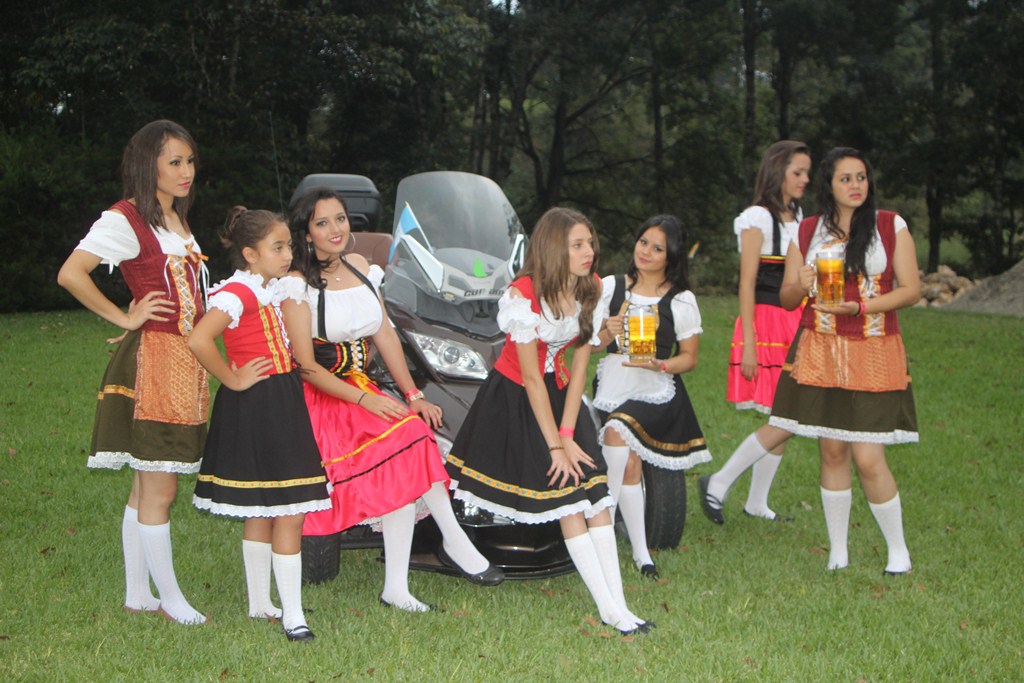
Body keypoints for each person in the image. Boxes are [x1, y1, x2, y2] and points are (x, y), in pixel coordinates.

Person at [278, 189, 503, 615]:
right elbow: (305, 366)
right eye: (322, 223)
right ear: (306, 234)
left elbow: (383, 332)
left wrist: (413, 395)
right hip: (324, 394)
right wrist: (365, 399)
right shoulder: (296, 285)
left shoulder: (362, 267)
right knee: (408, 443)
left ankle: (397, 587)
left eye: (340, 219)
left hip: (364, 385)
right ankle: (453, 539)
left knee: (414, 437)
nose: (335, 229)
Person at [445, 207, 650, 635]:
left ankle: (621, 606)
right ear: (555, 248)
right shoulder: (523, 295)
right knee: (567, 499)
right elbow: (532, 379)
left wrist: (571, 431)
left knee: (596, 496)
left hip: (561, 397)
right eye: (578, 245)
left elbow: (578, 366)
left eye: (590, 243)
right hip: (518, 398)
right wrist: (556, 445)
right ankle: (610, 611)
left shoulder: (590, 287)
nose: (589, 251)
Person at [57, 120, 210, 625]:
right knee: (160, 485)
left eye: (189, 161)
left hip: (184, 361)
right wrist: (125, 317)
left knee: (146, 486)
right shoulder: (126, 218)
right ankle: (171, 599)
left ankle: (137, 593)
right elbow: (71, 272)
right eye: (174, 162)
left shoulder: (174, 219)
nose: (186, 171)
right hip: (156, 364)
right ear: (148, 166)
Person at [769, 147, 919, 574]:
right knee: (832, 451)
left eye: (861, 177)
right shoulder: (809, 231)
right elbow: (787, 299)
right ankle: (839, 551)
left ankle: (898, 551)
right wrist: (800, 283)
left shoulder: (891, 225)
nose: (856, 186)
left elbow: (911, 290)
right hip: (821, 347)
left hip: (874, 347)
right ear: (829, 186)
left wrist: (861, 309)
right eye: (845, 179)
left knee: (869, 457)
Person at [188, 207, 331, 642]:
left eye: (289, 245)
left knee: (264, 507)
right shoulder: (240, 292)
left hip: (276, 398)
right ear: (250, 254)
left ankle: (259, 603)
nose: (288, 253)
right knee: (289, 509)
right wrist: (232, 378)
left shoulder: (269, 289)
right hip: (260, 402)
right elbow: (198, 338)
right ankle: (292, 613)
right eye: (278, 247)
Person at [698, 141, 812, 524]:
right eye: (798, 172)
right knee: (786, 414)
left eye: (807, 173)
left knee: (785, 414)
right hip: (765, 322)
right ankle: (719, 481)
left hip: (797, 321)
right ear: (778, 171)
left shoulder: (800, 217)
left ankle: (756, 502)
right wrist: (748, 342)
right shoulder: (756, 219)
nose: (805, 179)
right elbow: (746, 283)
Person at [593, 215, 710, 579]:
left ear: (671, 257)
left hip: (655, 387)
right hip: (613, 381)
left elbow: (689, 358)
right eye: (643, 242)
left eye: (657, 248)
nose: (646, 251)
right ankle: (642, 553)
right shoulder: (611, 287)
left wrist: (661, 365)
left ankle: (602, 527)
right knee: (629, 465)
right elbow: (591, 345)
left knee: (617, 430)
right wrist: (606, 333)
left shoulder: (680, 300)